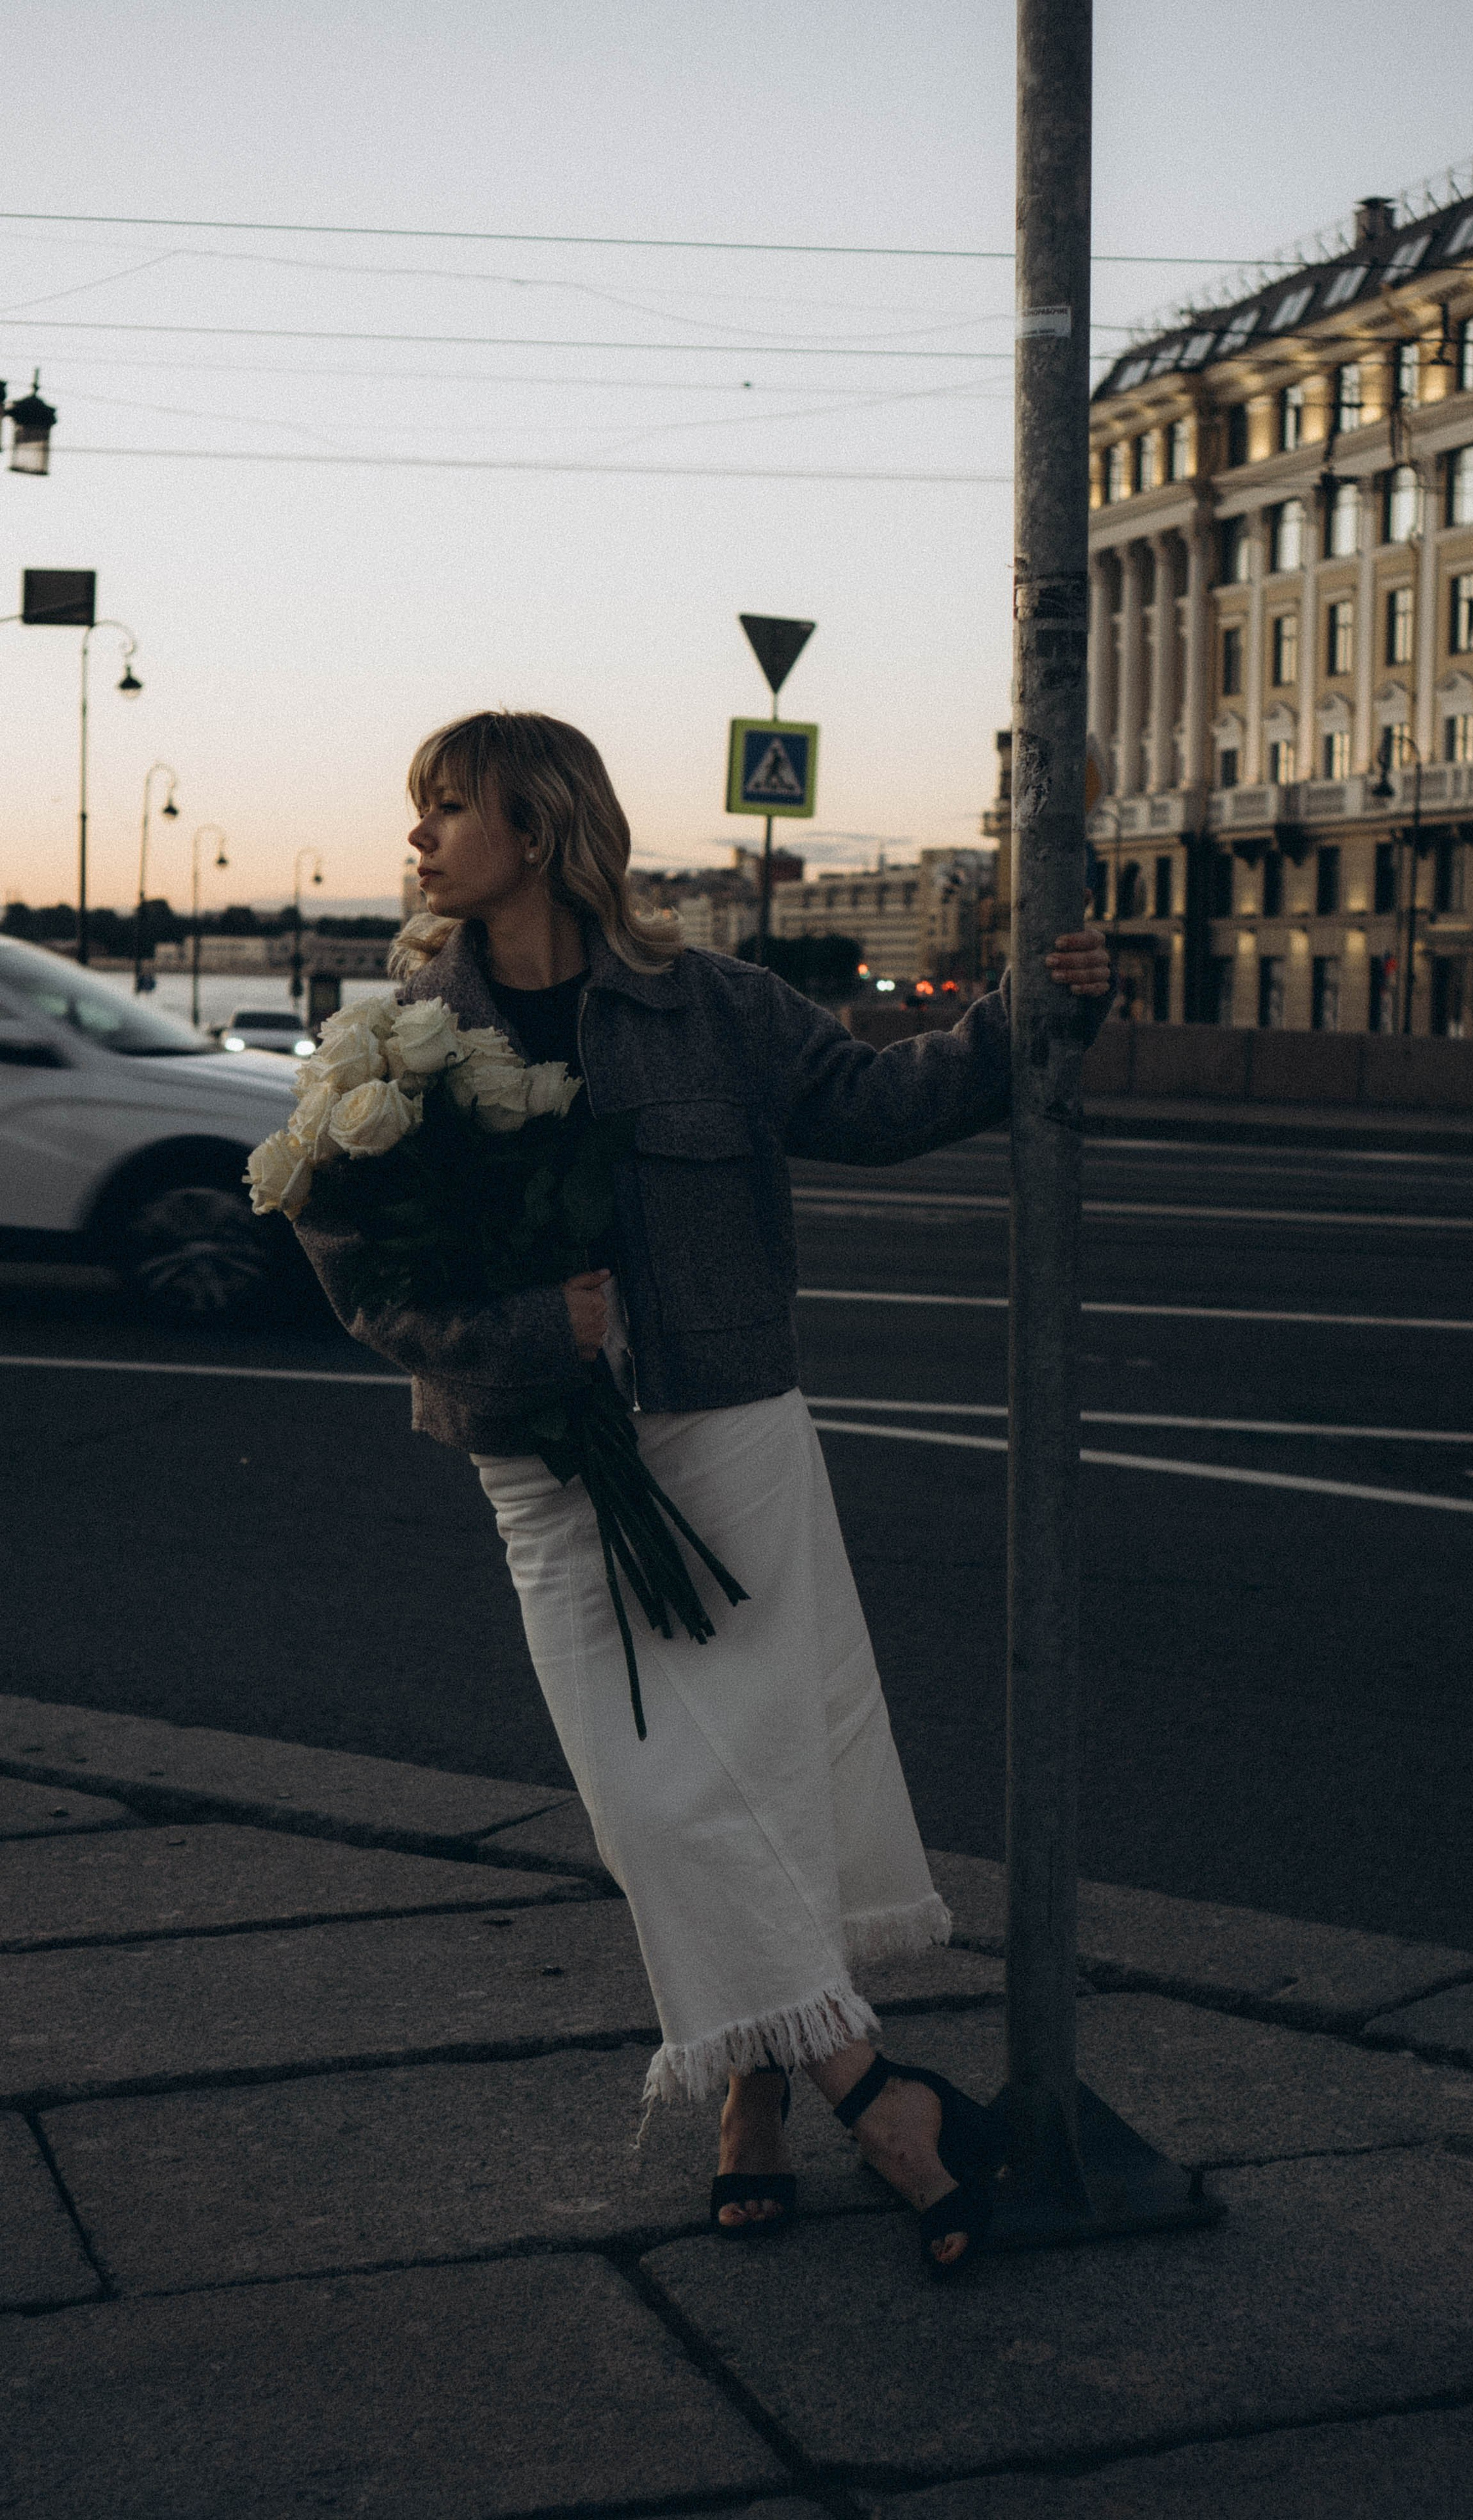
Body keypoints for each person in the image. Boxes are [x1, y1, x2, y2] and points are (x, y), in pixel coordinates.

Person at [294, 709, 1113, 2276]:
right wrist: (537, 1333)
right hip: (535, 1456)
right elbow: (357, 1272)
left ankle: (751, 2106)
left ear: (536, 832)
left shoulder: (713, 1008)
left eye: (447, 808)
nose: (420, 838)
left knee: (764, 1783)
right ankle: (874, 2092)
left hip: (726, 1430)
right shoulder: (387, 1040)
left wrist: (1036, 1012)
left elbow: (887, 1104)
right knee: (651, 1801)